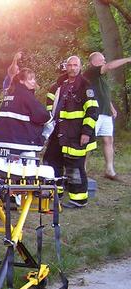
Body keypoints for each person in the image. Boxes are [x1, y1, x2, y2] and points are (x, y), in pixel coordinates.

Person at [43, 56, 98, 208]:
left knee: (75, 167)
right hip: (59, 133)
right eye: (70, 65)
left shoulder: (86, 86)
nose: (72, 68)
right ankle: (56, 193)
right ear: (66, 66)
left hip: (77, 134)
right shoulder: (62, 84)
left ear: (80, 67)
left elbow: (93, 111)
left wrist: (86, 132)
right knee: (52, 161)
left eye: (75, 65)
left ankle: (79, 199)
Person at [83, 51, 131, 180]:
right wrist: (127, 59)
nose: (104, 61)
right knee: (89, 143)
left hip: (105, 113)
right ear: (94, 62)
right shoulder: (91, 72)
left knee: (108, 140)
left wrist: (111, 108)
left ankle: (110, 170)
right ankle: (83, 171)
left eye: (104, 59)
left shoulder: (101, 79)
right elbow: (109, 66)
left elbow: (103, 94)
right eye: (102, 59)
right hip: (94, 113)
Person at [0, 69, 50, 158]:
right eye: (30, 79)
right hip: (20, 145)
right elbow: (43, 116)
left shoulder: (9, 95)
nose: (33, 82)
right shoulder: (26, 95)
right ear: (21, 81)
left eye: (34, 79)